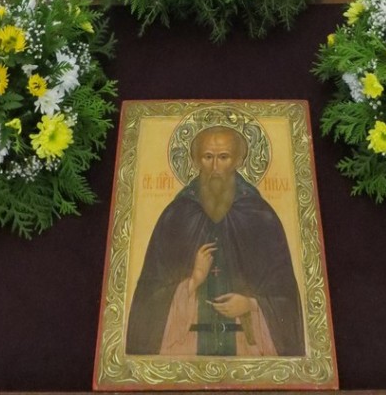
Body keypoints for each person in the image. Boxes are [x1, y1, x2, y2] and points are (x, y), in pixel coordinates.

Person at [125, 125, 304, 357]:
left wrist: (250, 305)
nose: (216, 168)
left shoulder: (261, 218)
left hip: (247, 348)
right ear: (196, 161)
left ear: (238, 160)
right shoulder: (177, 216)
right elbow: (148, 298)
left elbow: (285, 297)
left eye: (224, 157)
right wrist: (192, 283)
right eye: (208, 157)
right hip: (185, 347)